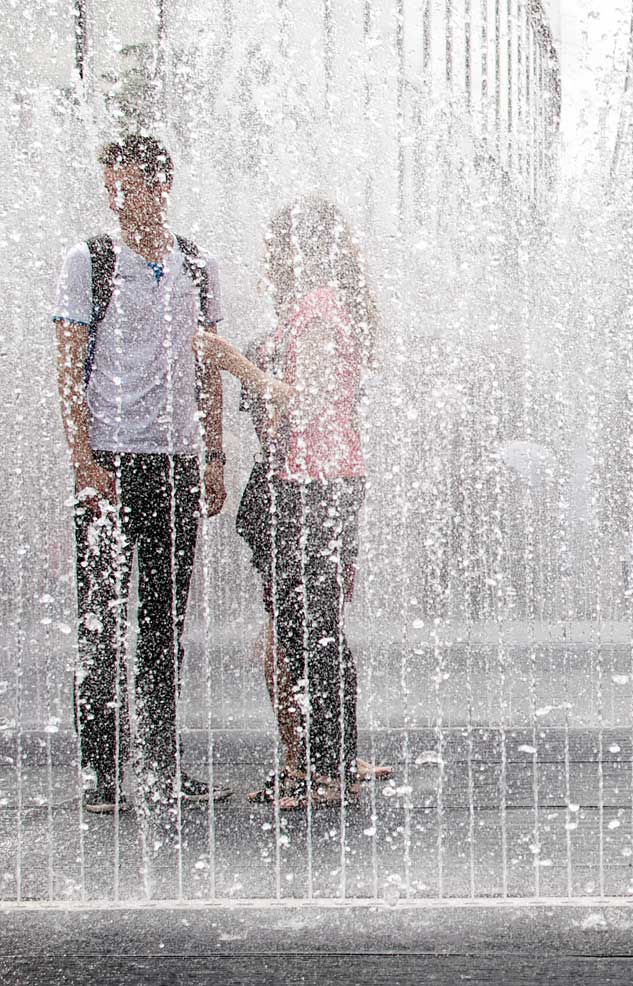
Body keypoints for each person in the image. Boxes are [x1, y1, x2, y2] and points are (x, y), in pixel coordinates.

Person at [52, 135, 231, 813]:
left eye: (129, 187)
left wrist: (213, 454)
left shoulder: (197, 266)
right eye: (111, 188)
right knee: (100, 619)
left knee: (162, 623)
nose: (118, 200)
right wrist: (83, 460)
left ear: (163, 185)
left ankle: (161, 765)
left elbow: (209, 367)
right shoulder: (89, 260)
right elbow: (69, 367)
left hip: (176, 463)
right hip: (110, 461)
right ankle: (103, 771)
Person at [196, 197, 382, 809]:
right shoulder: (321, 307)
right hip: (317, 480)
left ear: (300, 251)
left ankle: (326, 768)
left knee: (310, 628)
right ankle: (326, 762)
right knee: (307, 625)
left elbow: (309, 399)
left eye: (277, 245)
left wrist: (235, 365)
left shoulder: (319, 309)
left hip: (313, 485)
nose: (269, 257)